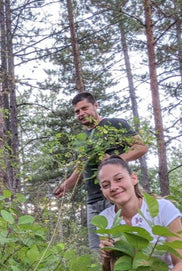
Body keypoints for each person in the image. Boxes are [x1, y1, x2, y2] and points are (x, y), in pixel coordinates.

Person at [54, 92, 148, 252]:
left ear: (96, 105)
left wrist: (115, 158)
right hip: (93, 202)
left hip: (117, 196)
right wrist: (67, 185)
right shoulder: (83, 138)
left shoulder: (115, 124)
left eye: (85, 108)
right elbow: (81, 168)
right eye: (77, 111)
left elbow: (141, 147)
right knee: (98, 252)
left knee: (125, 247)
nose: (81, 114)